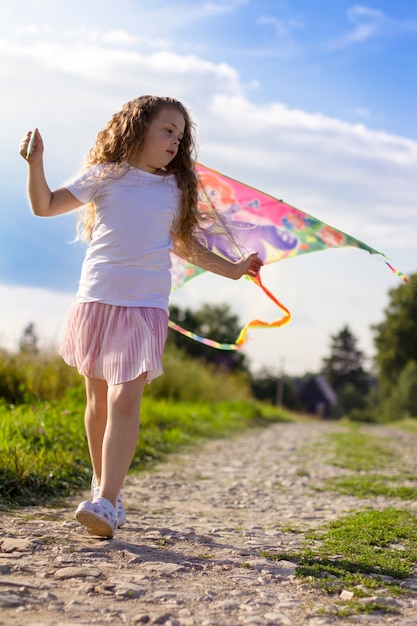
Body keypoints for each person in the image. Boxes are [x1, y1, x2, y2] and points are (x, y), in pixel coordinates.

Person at [19, 95, 263, 539]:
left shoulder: (174, 189)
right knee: (95, 405)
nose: (176, 142)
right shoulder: (106, 175)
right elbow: (45, 205)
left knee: (123, 400)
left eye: (181, 136)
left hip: (145, 305)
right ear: (137, 128)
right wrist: (36, 164)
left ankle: (108, 502)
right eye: (168, 131)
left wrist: (233, 269)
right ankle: (102, 488)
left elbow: (186, 246)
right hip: (96, 299)